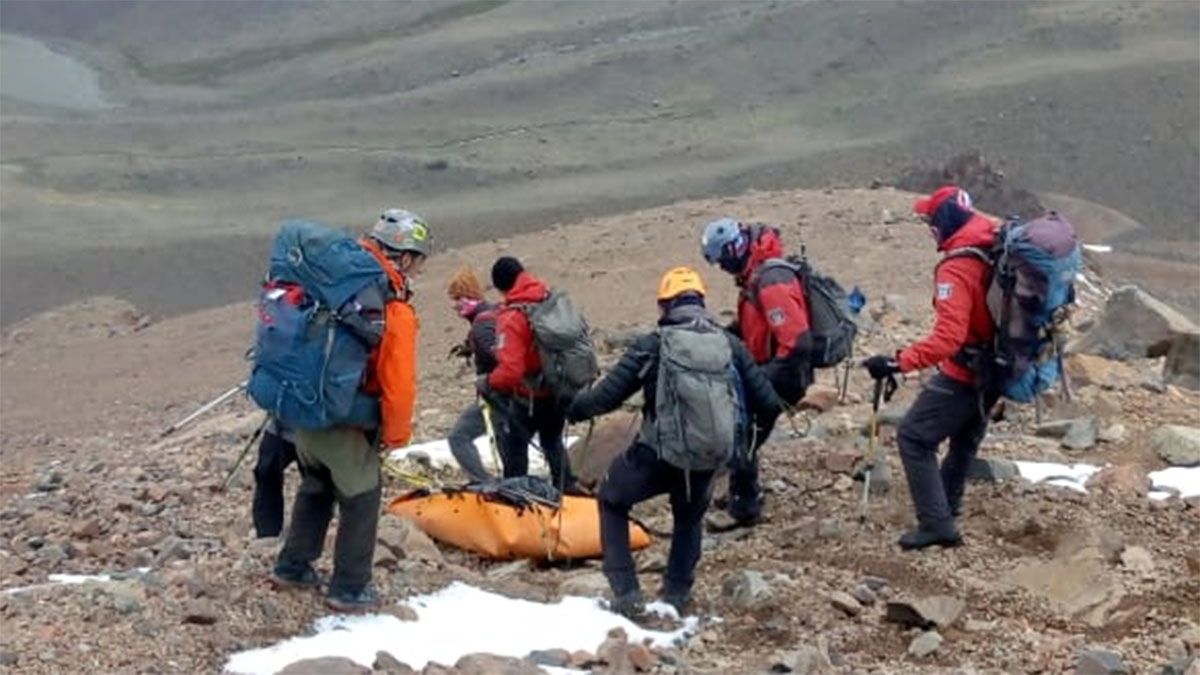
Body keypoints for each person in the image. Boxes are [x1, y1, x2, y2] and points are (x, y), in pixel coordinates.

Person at [567, 267, 781, 616]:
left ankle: (626, 591)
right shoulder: (730, 345)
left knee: (612, 499)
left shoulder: (653, 344)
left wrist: (572, 409)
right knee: (689, 518)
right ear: (701, 301)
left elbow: (605, 398)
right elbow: (769, 404)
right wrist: (743, 447)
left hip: (657, 455)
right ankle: (676, 595)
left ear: (664, 305)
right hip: (708, 454)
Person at [272, 208, 428, 611]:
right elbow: (398, 383)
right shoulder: (391, 306)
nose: (418, 270)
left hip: (305, 412)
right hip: (346, 420)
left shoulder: (332, 284)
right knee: (362, 495)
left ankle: (292, 567)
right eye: (418, 261)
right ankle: (350, 587)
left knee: (316, 485)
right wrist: (395, 436)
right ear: (404, 257)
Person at [861, 186, 1000, 550]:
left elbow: (949, 338)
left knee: (914, 436)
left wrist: (898, 362)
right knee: (965, 437)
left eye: (932, 221)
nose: (930, 228)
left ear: (946, 221)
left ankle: (937, 524)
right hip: (999, 366)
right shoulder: (990, 244)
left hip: (967, 370)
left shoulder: (957, 267)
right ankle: (947, 506)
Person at [700, 218, 813, 525]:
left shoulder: (770, 281)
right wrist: (725, 337)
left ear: (734, 250)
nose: (723, 268)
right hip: (773, 367)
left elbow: (797, 341)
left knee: (743, 431)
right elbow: (756, 326)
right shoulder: (756, 276)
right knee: (744, 427)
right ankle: (741, 494)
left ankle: (744, 506)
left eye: (723, 261)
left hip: (784, 373)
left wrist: (764, 378)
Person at [481, 256, 576, 488]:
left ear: (501, 287)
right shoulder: (548, 298)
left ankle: (516, 494)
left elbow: (511, 372)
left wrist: (488, 381)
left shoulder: (512, 316)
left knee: (514, 444)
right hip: (562, 386)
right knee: (552, 440)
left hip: (532, 396)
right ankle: (567, 490)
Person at [444, 266, 503, 483]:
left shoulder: (482, 325)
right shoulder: (494, 314)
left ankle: (483, 483)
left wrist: (486, 382)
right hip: (512, 396)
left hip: (496, 395)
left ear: (470, 296)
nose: (455, 305)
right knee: (506, 444)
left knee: (459, 437)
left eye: (458, 298)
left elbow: (500, 359)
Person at [251, 418, 297, 538]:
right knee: (266, 473)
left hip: (322, 433)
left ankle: (309, 536)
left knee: (317, 483)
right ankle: (267, 535)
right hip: (279, 428)